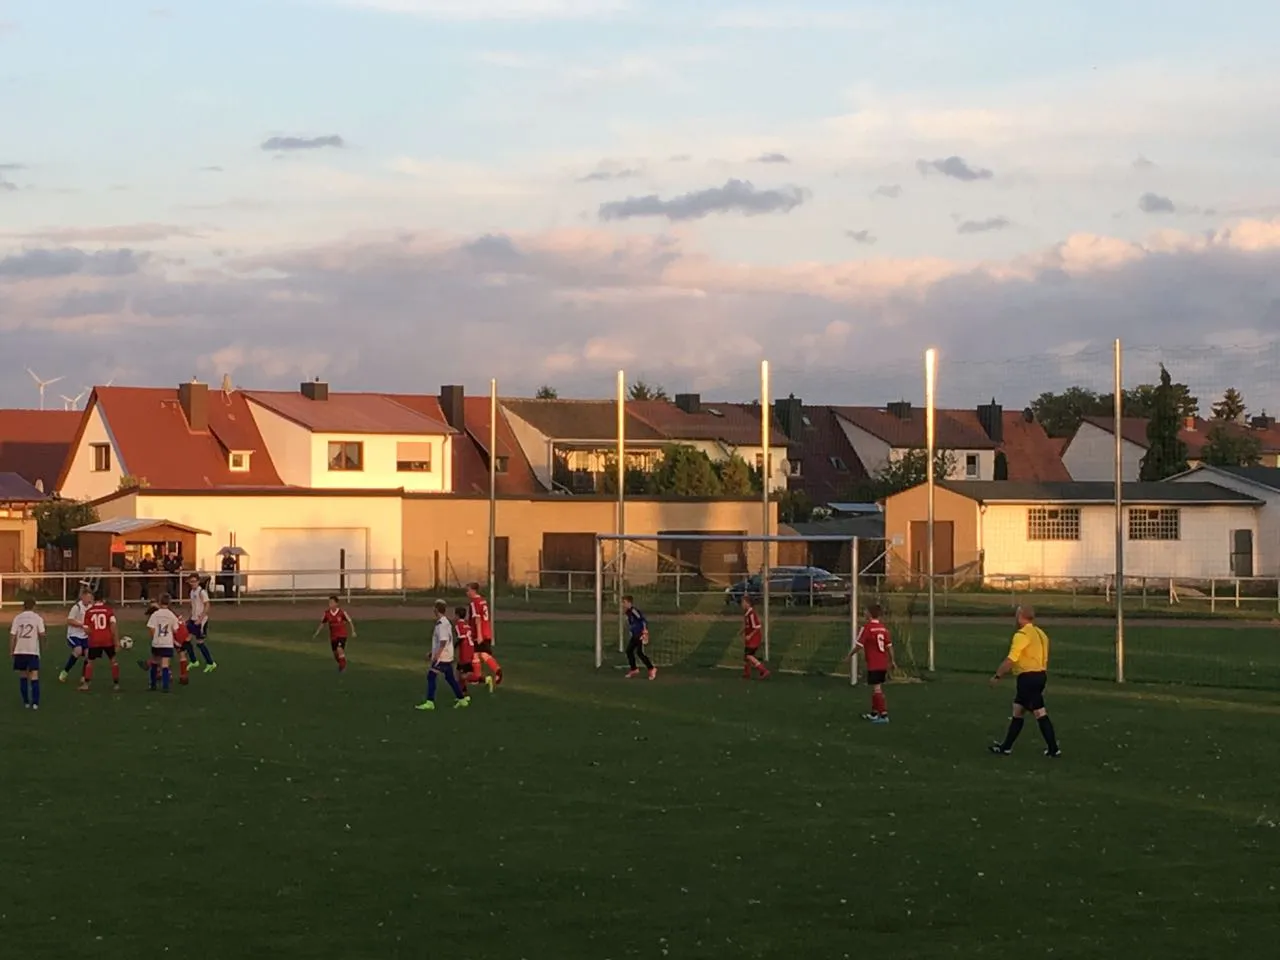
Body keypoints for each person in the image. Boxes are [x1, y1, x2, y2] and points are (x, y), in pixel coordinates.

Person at [988, 605, 1061, 758]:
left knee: (1039, 712)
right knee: (1018, 710)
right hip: (1040, 675)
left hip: (1028, 678)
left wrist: (997, 675)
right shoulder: (1040, 633)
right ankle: (1006, 747)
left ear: (1021, 617)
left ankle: (1053, 749)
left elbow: (1011, 659)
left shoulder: (1022, 635)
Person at [415, 600, 470, 712]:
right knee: (450, 678)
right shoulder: (445, 622)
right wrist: (432, 652)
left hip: (442, 657)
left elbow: (443, 641)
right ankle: (461, 699)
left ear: (436, 610)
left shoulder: (442, 624)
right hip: (446, 656)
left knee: (431, 676)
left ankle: (430, 702)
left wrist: (437, 655)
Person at [845, 603, 895, 723]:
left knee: (877, 689)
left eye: (865, 611)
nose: (864, 613)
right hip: (882, 662)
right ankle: (874, 713)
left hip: (874, 662)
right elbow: (889, 646)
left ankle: (884, 715)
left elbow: (859, 645)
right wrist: (892, 660)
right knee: (876, 687)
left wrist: (849, 655)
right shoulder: (883, 628)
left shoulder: (867, 628)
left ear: (870, 614)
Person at [80, 593, 121, 693]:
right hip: (108, 639)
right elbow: (113, 626)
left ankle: (86, 684)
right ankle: (116, 684)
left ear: (94, 600)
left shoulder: (89, 612)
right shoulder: (108, 610)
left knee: (90, 662)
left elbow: (86, 629)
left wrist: (93, 633)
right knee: (113, 661)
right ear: (103, 600)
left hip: (95, 640)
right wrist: (116, 641)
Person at [466, 582, 502, 691]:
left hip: (479, 633)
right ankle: (496, 671)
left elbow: (477, 619)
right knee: (482, 654)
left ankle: (478, 677)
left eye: (468, 590)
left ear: (473, 590)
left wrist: (479, 635)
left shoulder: (474, 602)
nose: (467, 593)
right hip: (486, 630)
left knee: (475, 654)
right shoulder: (483, 601)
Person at [10, 597, 45, 709]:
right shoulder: (37, 618)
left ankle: (25, 701)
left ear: (23, 606)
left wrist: (12, 650)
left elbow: (13, 635)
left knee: (23, 675)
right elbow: (42, 634)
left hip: (20, 650)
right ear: (34, 606)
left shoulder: (17, 618)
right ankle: (35, 703)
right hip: (32, 650)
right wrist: (43, 646)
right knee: (34, 675)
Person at [146, 594, 182, 693]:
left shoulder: (155, 614)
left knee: (154, 662)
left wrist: (154, 638)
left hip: (157, 642)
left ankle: (153, 685)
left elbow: (151, 627)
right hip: (167, 643)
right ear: (169, 603)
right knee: (165, 664)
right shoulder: (171, 615)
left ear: (159, 602)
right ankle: (165, 686)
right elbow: (176, 630)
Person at [59, 588, 93, 682]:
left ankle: (84, 676)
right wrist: (82, 625)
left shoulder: (91, 607)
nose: (89, 600)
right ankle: (65, 672)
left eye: (90, 598)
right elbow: (69, 620)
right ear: (82, 597)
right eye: (87, 597)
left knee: (88, 654)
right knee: (78, 650)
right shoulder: (77, 607)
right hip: (74, 634)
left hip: (85, 635)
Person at [313, 595, 354, 672]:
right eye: (329, 602)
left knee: (339, 649)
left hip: (342, 635)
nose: (330, 604)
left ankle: (343, 667)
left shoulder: (342, 612)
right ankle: (342, 663)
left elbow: (349, 621)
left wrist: (353, 631)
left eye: (332, 602)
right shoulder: (327, 613)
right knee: (335, 654)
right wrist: (317, 632)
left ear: (336, 603)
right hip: (333, 636)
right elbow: (322, 623)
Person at [186, 574, 217, 673]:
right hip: (193, 619)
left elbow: (207, 605)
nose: (192, 583)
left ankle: (210, 663)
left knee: (200, 643)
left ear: (198, 582)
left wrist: (201, 618)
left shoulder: (201, 592)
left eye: (194, 581)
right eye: (191, 581)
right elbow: (193, 606)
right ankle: (194, 661)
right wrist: (190, 617)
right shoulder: (192, 592)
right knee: (186, 640)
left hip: (201, 620)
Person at [621, 595, 656, 680]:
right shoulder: (628, 612)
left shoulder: (633, 611)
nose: (623, 604)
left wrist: (645, 632)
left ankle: (651, 668)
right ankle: (634, 669)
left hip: (639, 634)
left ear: (629, 603)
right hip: (635, 635)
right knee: (629, 651)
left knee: (639, 652)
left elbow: (642, 620)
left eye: (624, 602)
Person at [741, 594, 770, 680]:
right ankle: (747, 674)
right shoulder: (747, 613)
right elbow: (749, 625)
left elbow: (757, 627)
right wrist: (743, 631)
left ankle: (763, 670)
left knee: (749, 655)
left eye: (743, 602)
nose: (742, 604)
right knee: (746, 657)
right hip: (750, 639)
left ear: (748, 603)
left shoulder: (751, 614)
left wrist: (750, 635)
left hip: (754, 639)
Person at [454, 606, 482, 692]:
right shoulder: (467, 625)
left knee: (463, 675)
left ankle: (483, 679)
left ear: (457, 615)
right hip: (470, 648)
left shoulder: (458, 625)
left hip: (465, 651)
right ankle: (463, 691)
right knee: (458, 673)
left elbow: (461, 638)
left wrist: (454, 647)